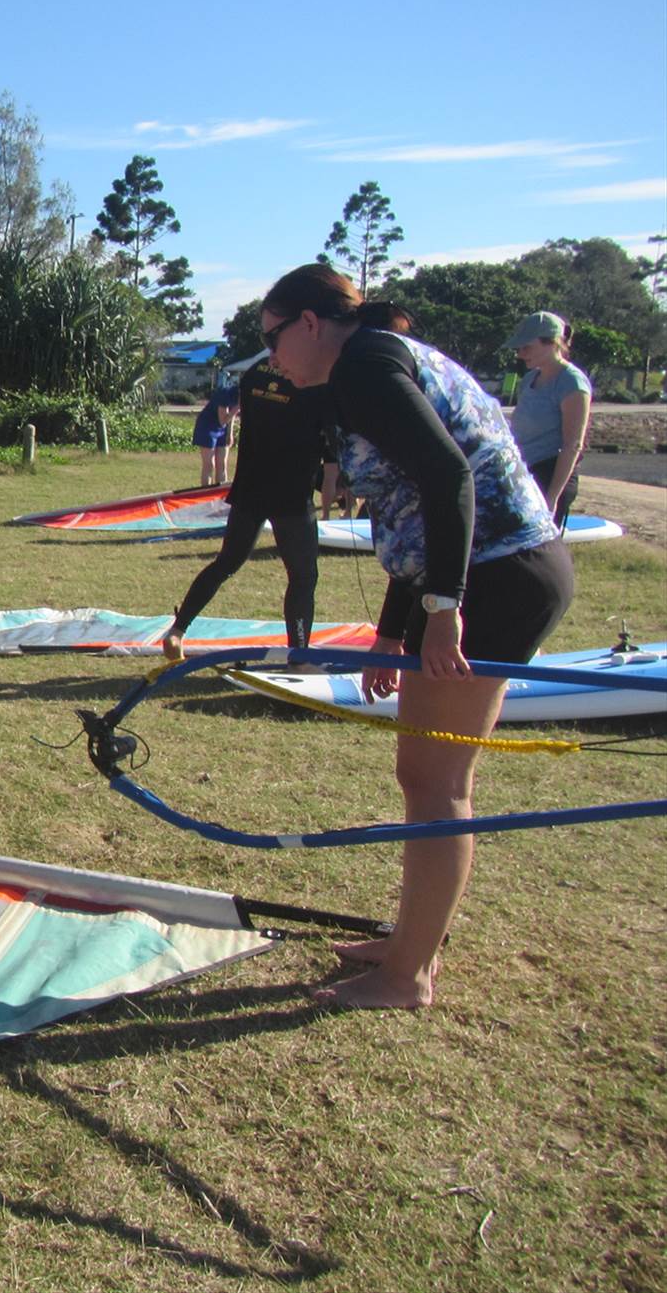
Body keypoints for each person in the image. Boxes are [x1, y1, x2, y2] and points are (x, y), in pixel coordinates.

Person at [259, 264, 571, 1010]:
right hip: (491, 572)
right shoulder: (370, 361)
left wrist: (443, 609)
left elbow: (449, 478)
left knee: (437, 783)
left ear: (310, 323)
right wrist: (392, 632)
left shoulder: (365, 365)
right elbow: (413, 506)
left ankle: (408, 976)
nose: (271, 358)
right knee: (423, 776)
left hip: (498, 577)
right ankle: (409, 943)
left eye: (272, 338)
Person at [162, 358, 324, 660]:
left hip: (250, 485)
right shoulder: (311, 373)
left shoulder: (255, 372)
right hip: (291, 492)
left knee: (226, 562)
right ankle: (300, 656)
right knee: (303, 577)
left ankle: (178, 629)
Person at [504, 311, 592, 527]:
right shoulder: (530, 378)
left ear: (553, 343)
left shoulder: (571, 382)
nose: (520, 354)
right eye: (519, 348)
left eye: (527, 347)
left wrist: (552, 498)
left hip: (549, 476)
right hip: (524, 473)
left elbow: (572, 445)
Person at [191, 378, 238, 486]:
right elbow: (223, 420)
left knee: (222, 464)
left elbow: (230, 417)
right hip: (207, 426)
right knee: (209, 464)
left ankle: (221, 493)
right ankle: (206, 492)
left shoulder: (241, 397)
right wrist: (237, 408)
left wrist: (229, 433)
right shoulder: (225, 393)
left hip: (223, 428)